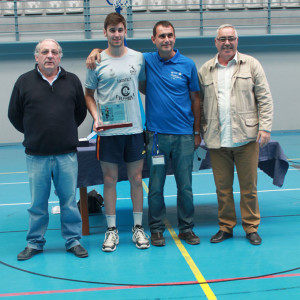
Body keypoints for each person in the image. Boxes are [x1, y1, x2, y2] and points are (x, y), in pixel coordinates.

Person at [86, 20, 201, 247]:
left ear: (174, 37)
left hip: (170, 133)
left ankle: (181, 228)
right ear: (154, 40)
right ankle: (151, 229)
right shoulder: (142, 59)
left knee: (182, 185)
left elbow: (196, 99)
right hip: (152, 134)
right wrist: (95, 51)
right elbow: (111, 58)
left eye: (169, 35)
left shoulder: (177, 63)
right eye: (161, 36)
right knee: (153, 186)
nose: (166, 40)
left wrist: (197, 130)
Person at [8, 39, 88, 260]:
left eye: (54, 52)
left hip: (66, 154)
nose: (50, 56)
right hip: (37, 156)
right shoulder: (23, 82)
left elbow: (80, 113)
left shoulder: (72, 81)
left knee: (69, 202)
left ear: (60, 56)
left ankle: (73, 241)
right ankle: (34, 243)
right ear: (37, 57)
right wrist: (34, 132)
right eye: (45, 52)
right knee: (37, 204)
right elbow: (14, 115)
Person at [198, 24, 273, 245]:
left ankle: (251, 227)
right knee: (223, 188)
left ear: (237, 41)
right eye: (222, 39)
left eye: (231, 38)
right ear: (216, 42)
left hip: (246, 138)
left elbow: (265, 98)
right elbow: (199, 104)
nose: (227, 43)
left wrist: (265, 127)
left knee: (248, 188)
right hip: (217, 139)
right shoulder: (205, 70)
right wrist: (201, 130)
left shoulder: (251, 65)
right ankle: (226, 227)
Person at [84, 12, 150, 252]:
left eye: (120, 30)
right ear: (105, 33)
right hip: (108, 132)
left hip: (134, 129)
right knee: (109, 180)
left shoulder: (139, 58)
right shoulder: (96, 61)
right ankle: (111, 230)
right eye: (112, 30)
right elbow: (89, 95)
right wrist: (96, 118)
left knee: (136, 179)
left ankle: (138, 227)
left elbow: (144, 86)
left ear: (125, 31)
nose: (117, 34)